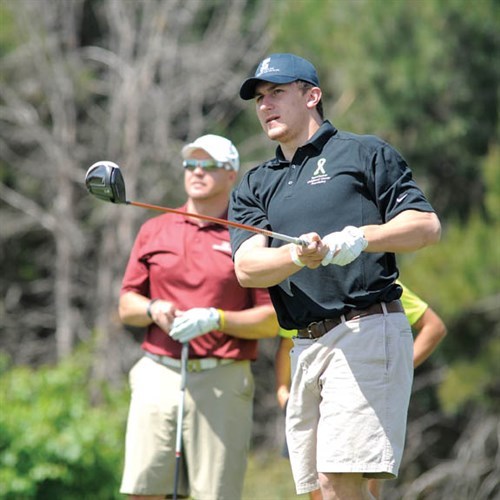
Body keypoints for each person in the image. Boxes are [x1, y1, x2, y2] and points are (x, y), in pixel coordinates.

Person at [228, 53, 441, 499]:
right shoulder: (255, 182)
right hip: (305, 345)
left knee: (338, 479)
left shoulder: (363, 153)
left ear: (312, 96)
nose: (265, 105)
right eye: (260, 98)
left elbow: (425, 227)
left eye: (277, 92)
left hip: (364, 328)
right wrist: (296, 255)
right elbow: (247, 268)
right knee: (322, 489)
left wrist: (360, 238)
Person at [118, 134, 279, 500]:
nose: (197, 172)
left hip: (221, 377)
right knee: (144, 490)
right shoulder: (155, 229)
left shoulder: (248, 236)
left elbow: (272, 320)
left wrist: (217, 319)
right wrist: (152, 309)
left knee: (215, 494)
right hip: (159, 371)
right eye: (191, 164)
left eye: (210, 165)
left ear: (231, 174)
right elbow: (126, 305)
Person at [275, 280, 447, 500]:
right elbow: (287, 341)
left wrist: (390, 370)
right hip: (312, 396)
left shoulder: (377, 284)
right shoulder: (304, 287)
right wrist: (282, 391)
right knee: (322, 490)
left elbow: (433, 327)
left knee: (354, 483)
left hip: (361, 389)